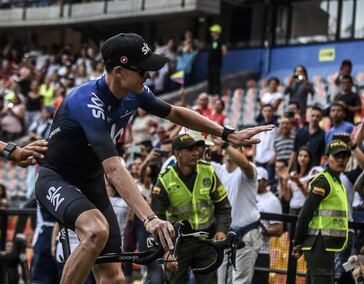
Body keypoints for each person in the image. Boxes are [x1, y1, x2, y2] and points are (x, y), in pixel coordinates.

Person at [34, 33, 273, 284]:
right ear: (118, 71)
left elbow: (176, 114)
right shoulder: (86, 102)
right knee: (96, 231)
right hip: (56, 179)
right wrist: (149, 219)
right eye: (143, 71)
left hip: (91, 183)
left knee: (114, 279)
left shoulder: (134, 93)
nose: (149, 77)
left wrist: (227, 133)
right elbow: (114, 169)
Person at [151, 134, 232, 284]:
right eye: (190, 149)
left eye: (197, 148)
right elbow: (157, 218)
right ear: (177, 153)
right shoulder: (164, 179)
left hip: (207, 241)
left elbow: (223, 206)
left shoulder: (208, 171)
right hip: (178, 244)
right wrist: (166, 251)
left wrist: (221, 231)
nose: (196, 152)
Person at [293, 140, 351, 284]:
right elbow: (305, 213)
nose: (341, 160)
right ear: (326, 159)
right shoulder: (323, 181)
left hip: (326, 244)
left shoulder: (336, 181)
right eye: (336, 156)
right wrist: (298, 242)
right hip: (319, 243)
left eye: (344, 156)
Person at [212, 138, 262, 284]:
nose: (229, 150)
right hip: (223, 235)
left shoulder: (248, 168)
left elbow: (245, 164)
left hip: (245, 234)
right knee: (221, 282)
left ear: (241, 152)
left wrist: (226, 145)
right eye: (228, 147)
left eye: (235, 147)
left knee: (240, 282)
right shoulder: (217, 169)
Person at [289, 105, 325, 169]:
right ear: (308, 117)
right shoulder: (300, 132)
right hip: (298, 168)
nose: (315, 118)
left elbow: (323, 155)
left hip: (313, 170)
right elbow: (294, 152)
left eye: (317, 116)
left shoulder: (323, 135)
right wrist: (289, 169)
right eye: (313, 116)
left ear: (321, 118)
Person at [207, 24, 227, 96]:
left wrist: (222, 53)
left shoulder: (221, 40)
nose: (211, 33)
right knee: (210, 76)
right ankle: (210, 92)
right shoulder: (212, 40)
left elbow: (224, 50)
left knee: (216, 76)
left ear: (217, 32)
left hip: (217, 62)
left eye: (213, 31)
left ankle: (217, 92)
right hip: (210, 61)